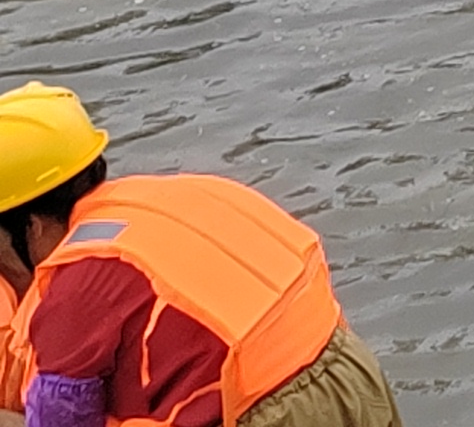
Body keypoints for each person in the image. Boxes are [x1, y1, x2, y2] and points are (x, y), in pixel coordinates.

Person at [0, 81, 405, 427]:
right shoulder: (182, 195)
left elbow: (61, 416)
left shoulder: (75, 282)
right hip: (346, 370)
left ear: (31, 226)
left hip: (268, 410)